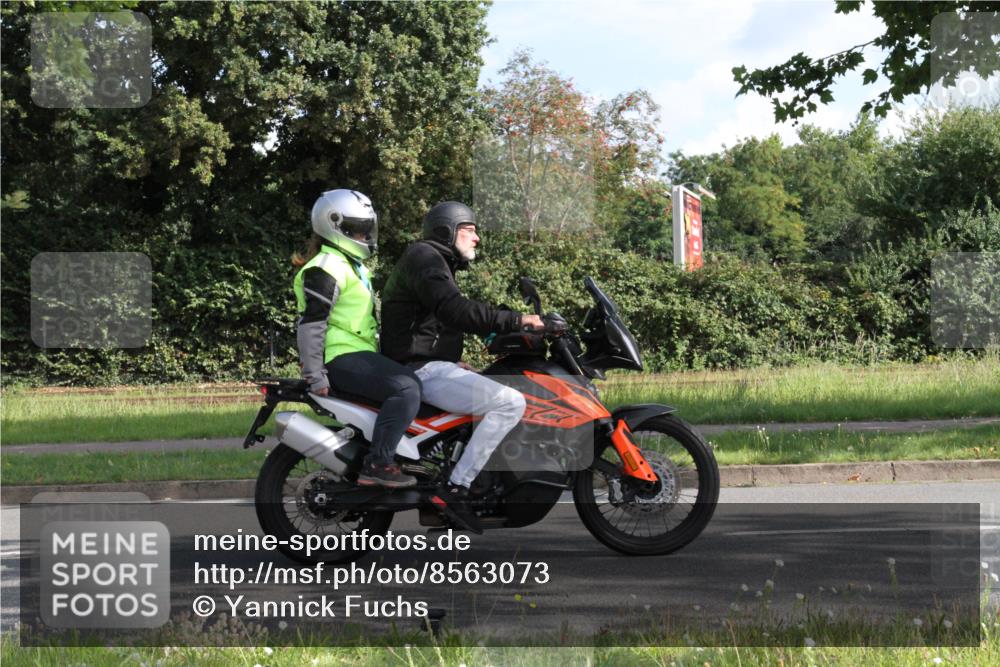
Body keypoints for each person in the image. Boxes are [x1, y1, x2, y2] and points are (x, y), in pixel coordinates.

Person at [380, 201, 544, 532]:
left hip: (426, 365)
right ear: (447, 231)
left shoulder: (433, 262)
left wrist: (452, 360)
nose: (477, 238)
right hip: (419, 370)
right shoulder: (425, 259)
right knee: (510, 402)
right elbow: (456, 310)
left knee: (488, 392)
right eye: (469, 230)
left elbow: (432, 322)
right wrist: (518, 320)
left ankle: (455, 477)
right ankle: (456, 488)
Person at [293, 189, 422, 488]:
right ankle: (378, 463)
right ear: (334, 225)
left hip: (356, 353)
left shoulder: (350, 264)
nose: (365, 236)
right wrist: (315, 375)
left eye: (367, 229)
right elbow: (312, 323)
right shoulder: (325, 268)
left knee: (412, 381)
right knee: (406, 389)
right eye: (358, 229)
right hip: (338, 357)